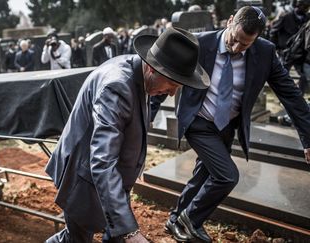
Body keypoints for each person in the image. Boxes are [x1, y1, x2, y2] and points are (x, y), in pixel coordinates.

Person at [153, 7, 310, 242]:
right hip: (199, 121)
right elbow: (166, 75)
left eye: (245, 45)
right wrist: (143, 120)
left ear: (257, 38)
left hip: (226, 125)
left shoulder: (265, 52)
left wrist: (308, 138)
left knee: (205, 172)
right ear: (229, 22)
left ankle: (175, 219)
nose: (236, 48)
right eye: (234, 39)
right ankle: (190, 219)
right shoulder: (200, 44)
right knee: (227, 176)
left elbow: (291, 96)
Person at [45, 27, 210, 243]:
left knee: (115, 231)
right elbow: (103, 162)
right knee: (76, 238)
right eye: (171, 84)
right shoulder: (117, 87)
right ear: (152, 68)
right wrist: (130, 231)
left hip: (109, 177)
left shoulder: (139, 71)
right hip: (81, 173)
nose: (172, 93)